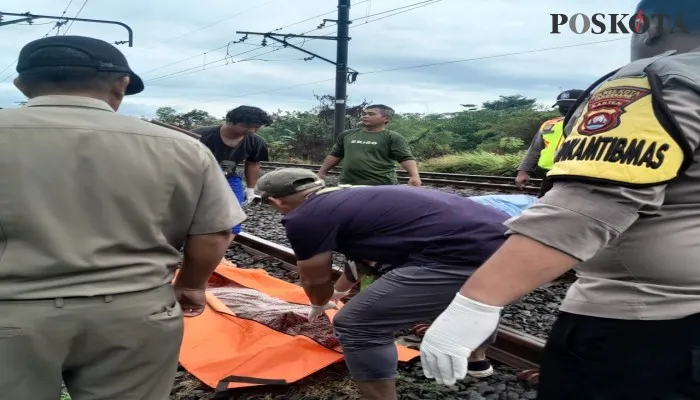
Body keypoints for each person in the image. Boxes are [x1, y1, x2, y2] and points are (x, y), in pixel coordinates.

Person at [420, 1, 700, 399]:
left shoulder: (663, 81)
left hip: (650, 323)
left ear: (647, 25)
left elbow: (587, 206)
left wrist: (476, 304)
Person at [0, 35, 244, 400]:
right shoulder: (181, 147)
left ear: (21, 84)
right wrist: (190, 285)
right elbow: (215, 233)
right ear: (121, 84)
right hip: (137, 311)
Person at [254, 168, 508, 400]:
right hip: (511, 245)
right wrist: (339, 292)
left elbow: (314, 277)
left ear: (276, 201)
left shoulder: (305, 217)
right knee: (464, 301)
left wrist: (319, 303)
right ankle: (477, 360)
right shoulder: (353, 194)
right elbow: (363, 258)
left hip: (460, 255)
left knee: (356, 325)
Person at [193, 105, 272, 233]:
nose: (252, 130)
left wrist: (250, 188)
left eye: (256, 127)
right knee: (193, 215)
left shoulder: (256, 142)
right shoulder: (200, 135)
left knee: (233, 218)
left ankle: (219, 248)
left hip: (228, 177)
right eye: (247, 126)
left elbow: (252, 163)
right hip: (195, 178)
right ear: (230, 121)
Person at [317, 104, 422, 187]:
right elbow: (335, 154)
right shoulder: (347, 134)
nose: (365, 116)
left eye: (371, 114)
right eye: (364, 114)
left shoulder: (393, 137)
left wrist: (414, 176)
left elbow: (405, 158)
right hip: (348, 184)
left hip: (381, 185)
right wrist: (322, 172)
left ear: (386, 118)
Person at [515, 89, 584, 196]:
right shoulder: (550, 124)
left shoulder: (593, 123)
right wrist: (523, 171)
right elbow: (534, 149)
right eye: (562, 105)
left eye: (569, 105)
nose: (564, 108)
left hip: (576, 177)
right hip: (548, 175)